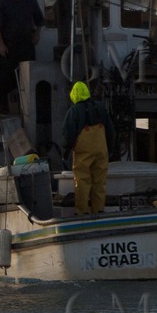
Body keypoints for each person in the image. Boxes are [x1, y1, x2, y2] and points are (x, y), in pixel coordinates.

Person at [61, 81, 116, 216]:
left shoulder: (73, 111)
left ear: (74, 95)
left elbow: (68, 134)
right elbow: (110, 131)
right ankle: (99, 211)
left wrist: (66, 151)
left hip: (83, 152)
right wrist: (110, 149)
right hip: (101, 149)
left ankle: (82, 212)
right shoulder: (100, 107)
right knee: (100, 182)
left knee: (82, 181)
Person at [0, 0, 43, 109]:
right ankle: (5, 107)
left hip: (27, 46)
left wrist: (37, 35)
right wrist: (1, 45)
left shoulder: (31, 1)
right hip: (9, 48)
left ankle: (28, 107)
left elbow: (40, 21)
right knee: (7, 79)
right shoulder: (2, 3)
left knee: (27, 78)